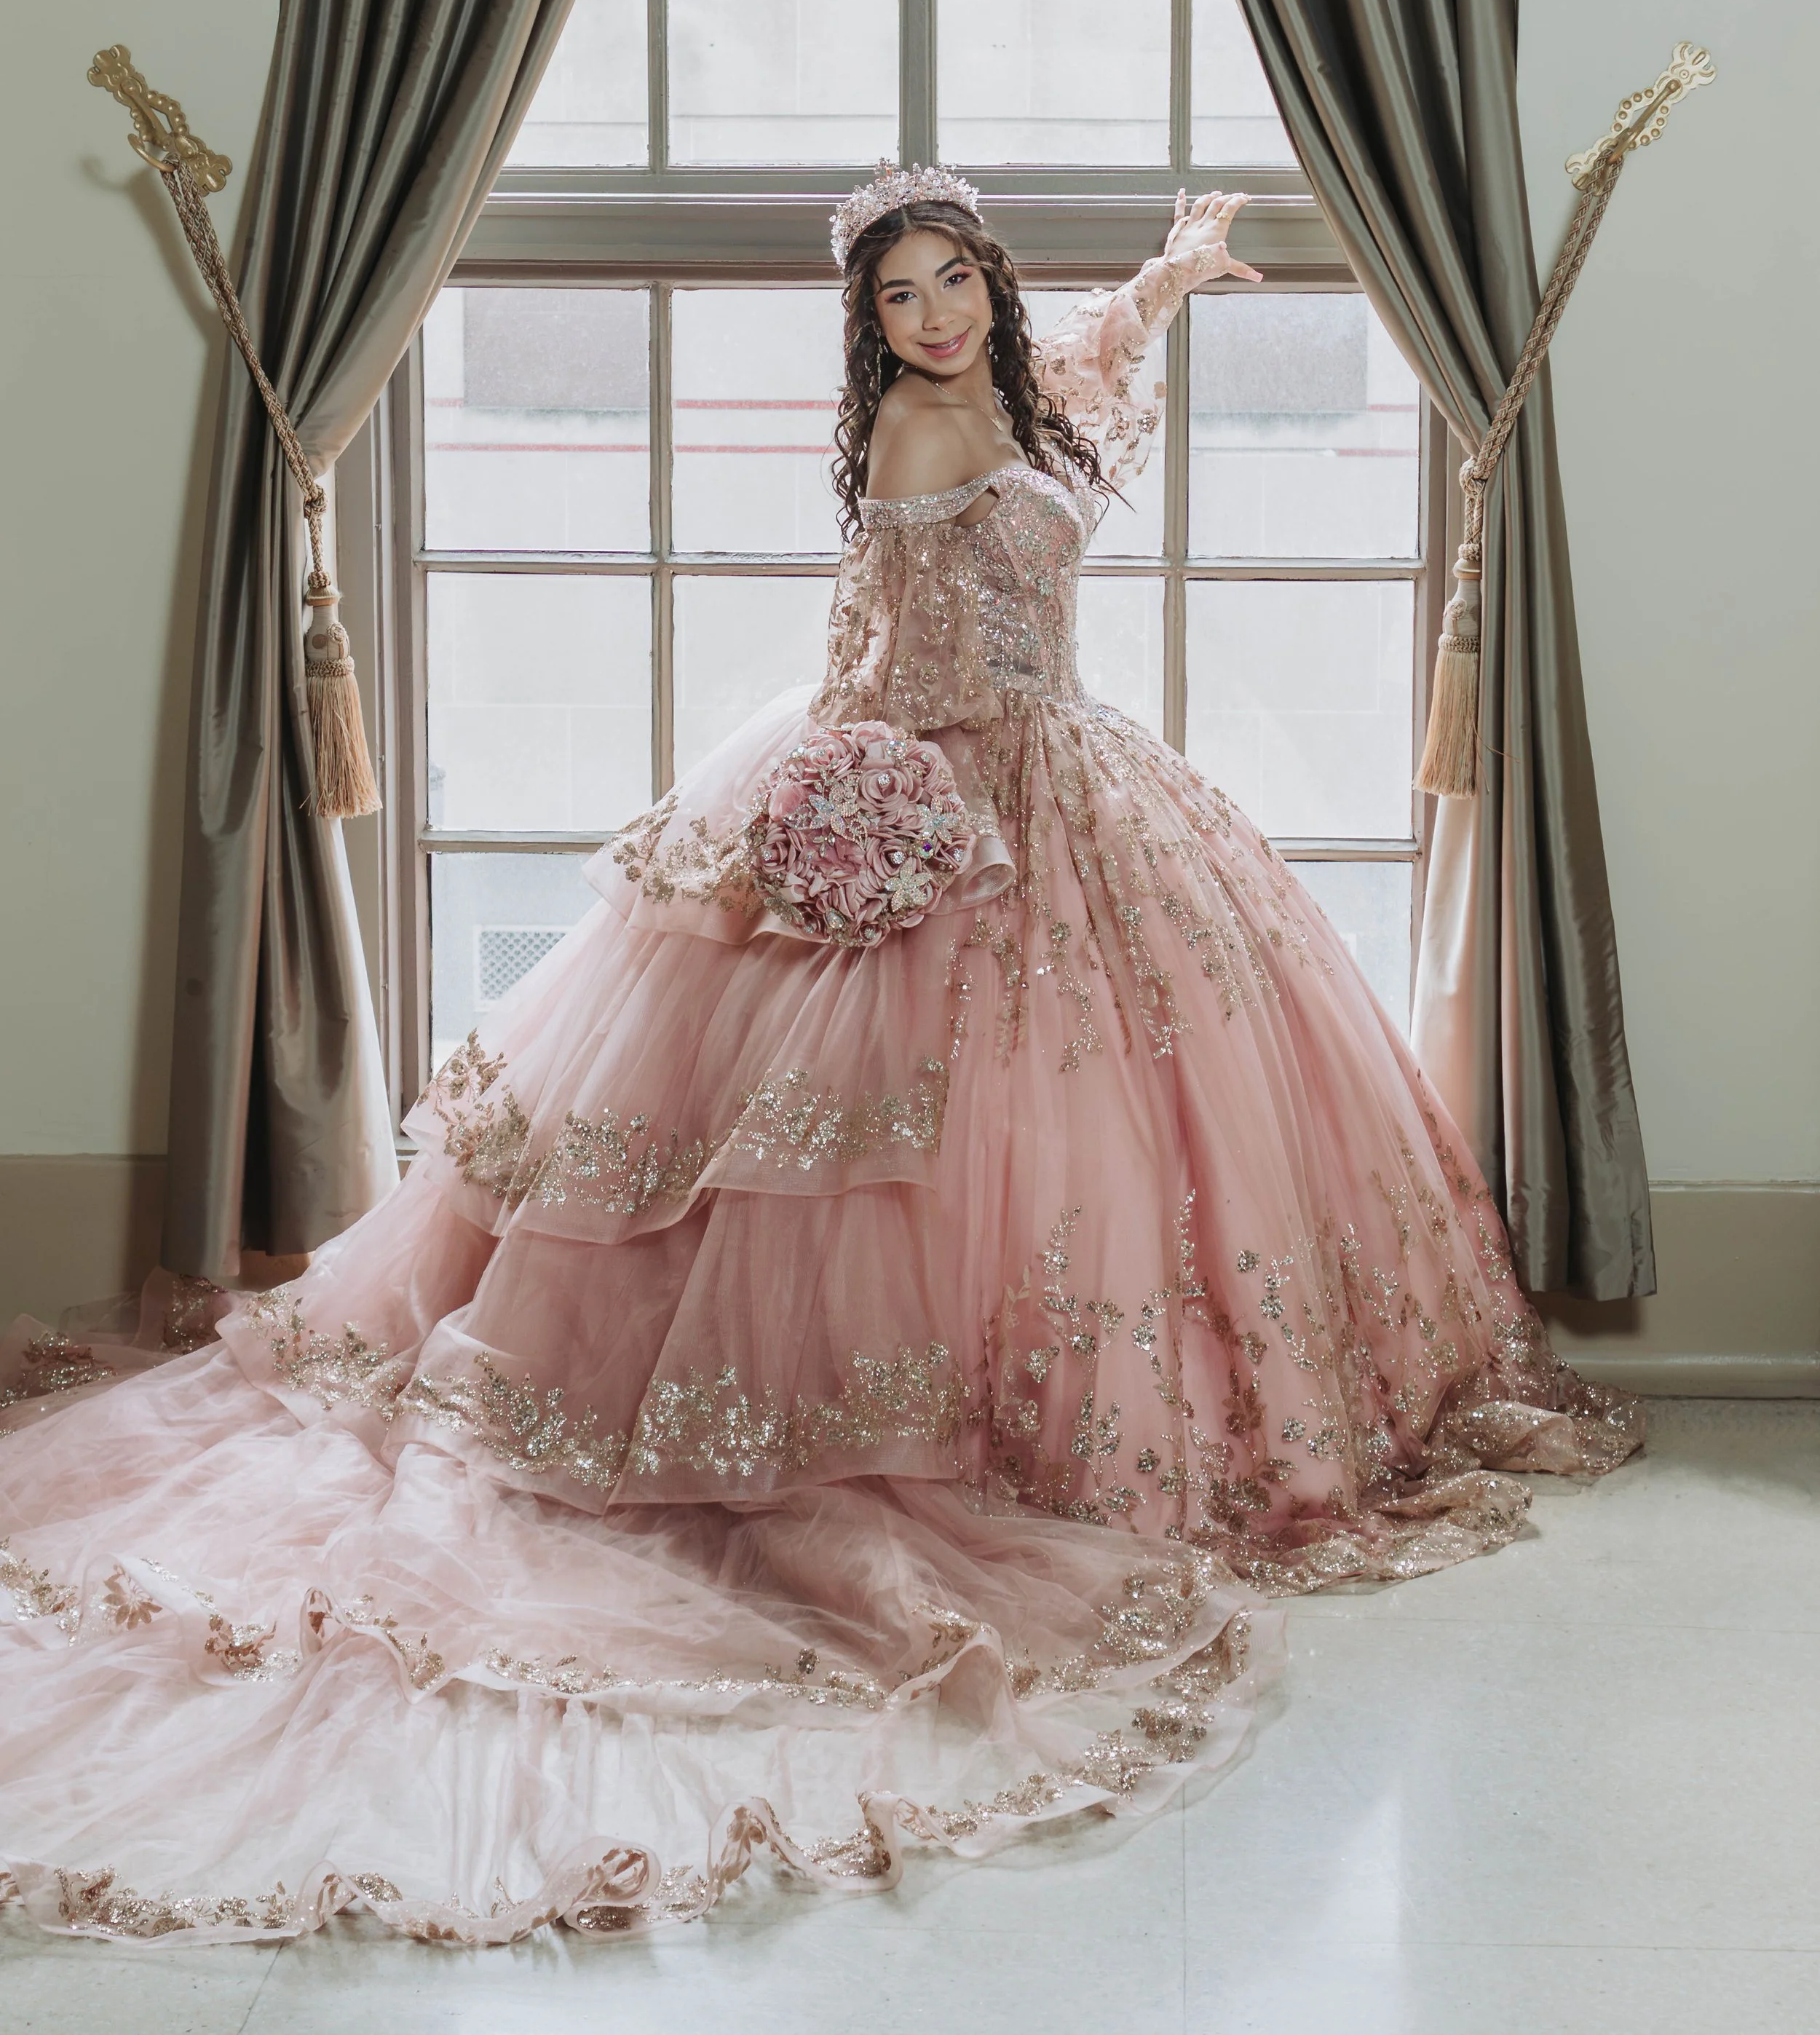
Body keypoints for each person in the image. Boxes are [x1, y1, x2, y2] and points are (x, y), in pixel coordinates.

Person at [0, 167, 1639, 1948]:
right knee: (903, 1157)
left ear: (989, 291)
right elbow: (869, 663)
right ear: (867, 331)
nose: (930, 320)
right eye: (897, 303)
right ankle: (926, 1442)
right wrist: (860, 818)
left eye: (950, 286)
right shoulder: (914, 454)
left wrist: (1161, 291)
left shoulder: (1009, 396)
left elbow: (1077, 394)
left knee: (1124, 1128)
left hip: (1081, 784)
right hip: (938, 799)